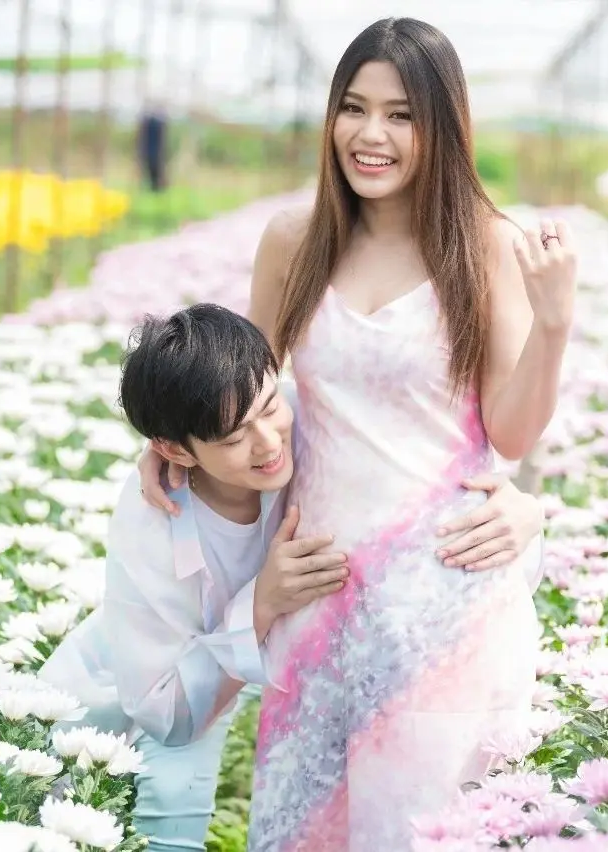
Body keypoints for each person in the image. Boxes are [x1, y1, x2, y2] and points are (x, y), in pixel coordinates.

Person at [139, 16, 577, 851]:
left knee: (416, 833)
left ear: (443, 125)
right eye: (354, 107)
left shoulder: (487, 247)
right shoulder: (295, 242)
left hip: (441, 607)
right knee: (304, 831)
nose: (371, 134)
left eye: (401, 114)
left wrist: (553, 325)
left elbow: (512, 433)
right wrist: (173, 441)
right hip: (318, 598)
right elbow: (245, 393)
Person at [40, 304, 546, 852]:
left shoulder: (313, 429)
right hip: (125, 695)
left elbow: (424, 496)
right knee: (146, 827)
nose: (268, 443)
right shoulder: (152, 517)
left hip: (234, 673)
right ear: (174, 449)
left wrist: (523, 512)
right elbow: (166, 715)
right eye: (234, 438)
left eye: (269, 406)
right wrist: (263, 602)